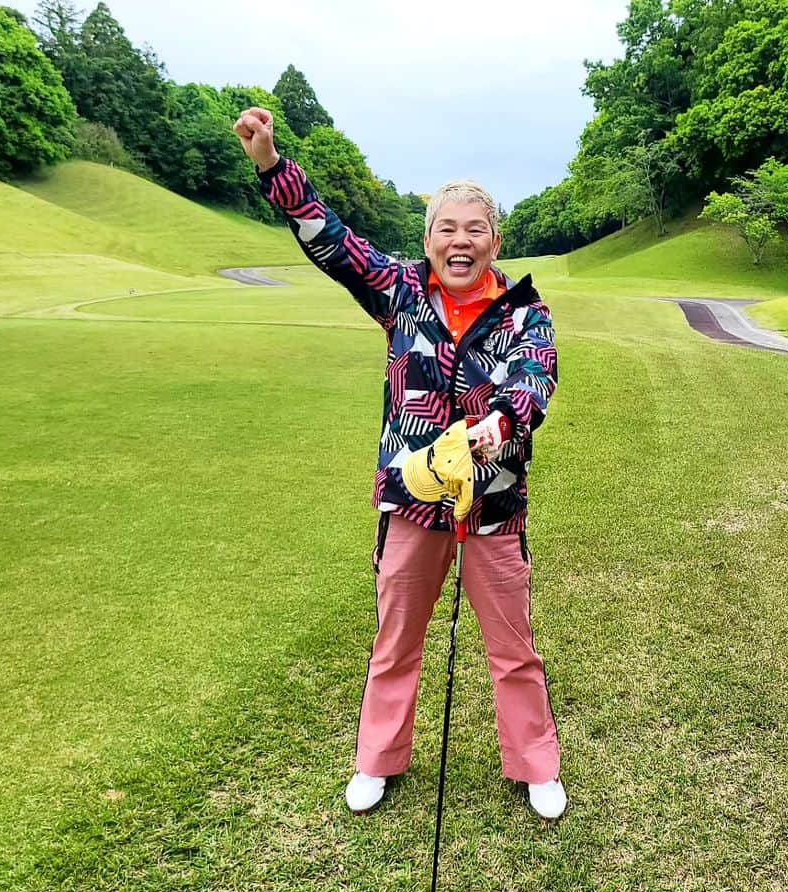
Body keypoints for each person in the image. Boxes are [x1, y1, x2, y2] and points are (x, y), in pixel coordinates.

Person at [233, 107, 566, 821]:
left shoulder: (523, 312)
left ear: (494, 241)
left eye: (475, 229)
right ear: (427, 241)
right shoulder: (400, 291)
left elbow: (534, 381)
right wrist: (271, 166)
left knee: (513, 649)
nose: (461, 240)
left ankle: (535, 765)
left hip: (493, 504)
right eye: (447, 228)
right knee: (395, 641)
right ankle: (378, 760)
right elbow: (331, 242)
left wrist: (494, 428)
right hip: (412, 502)